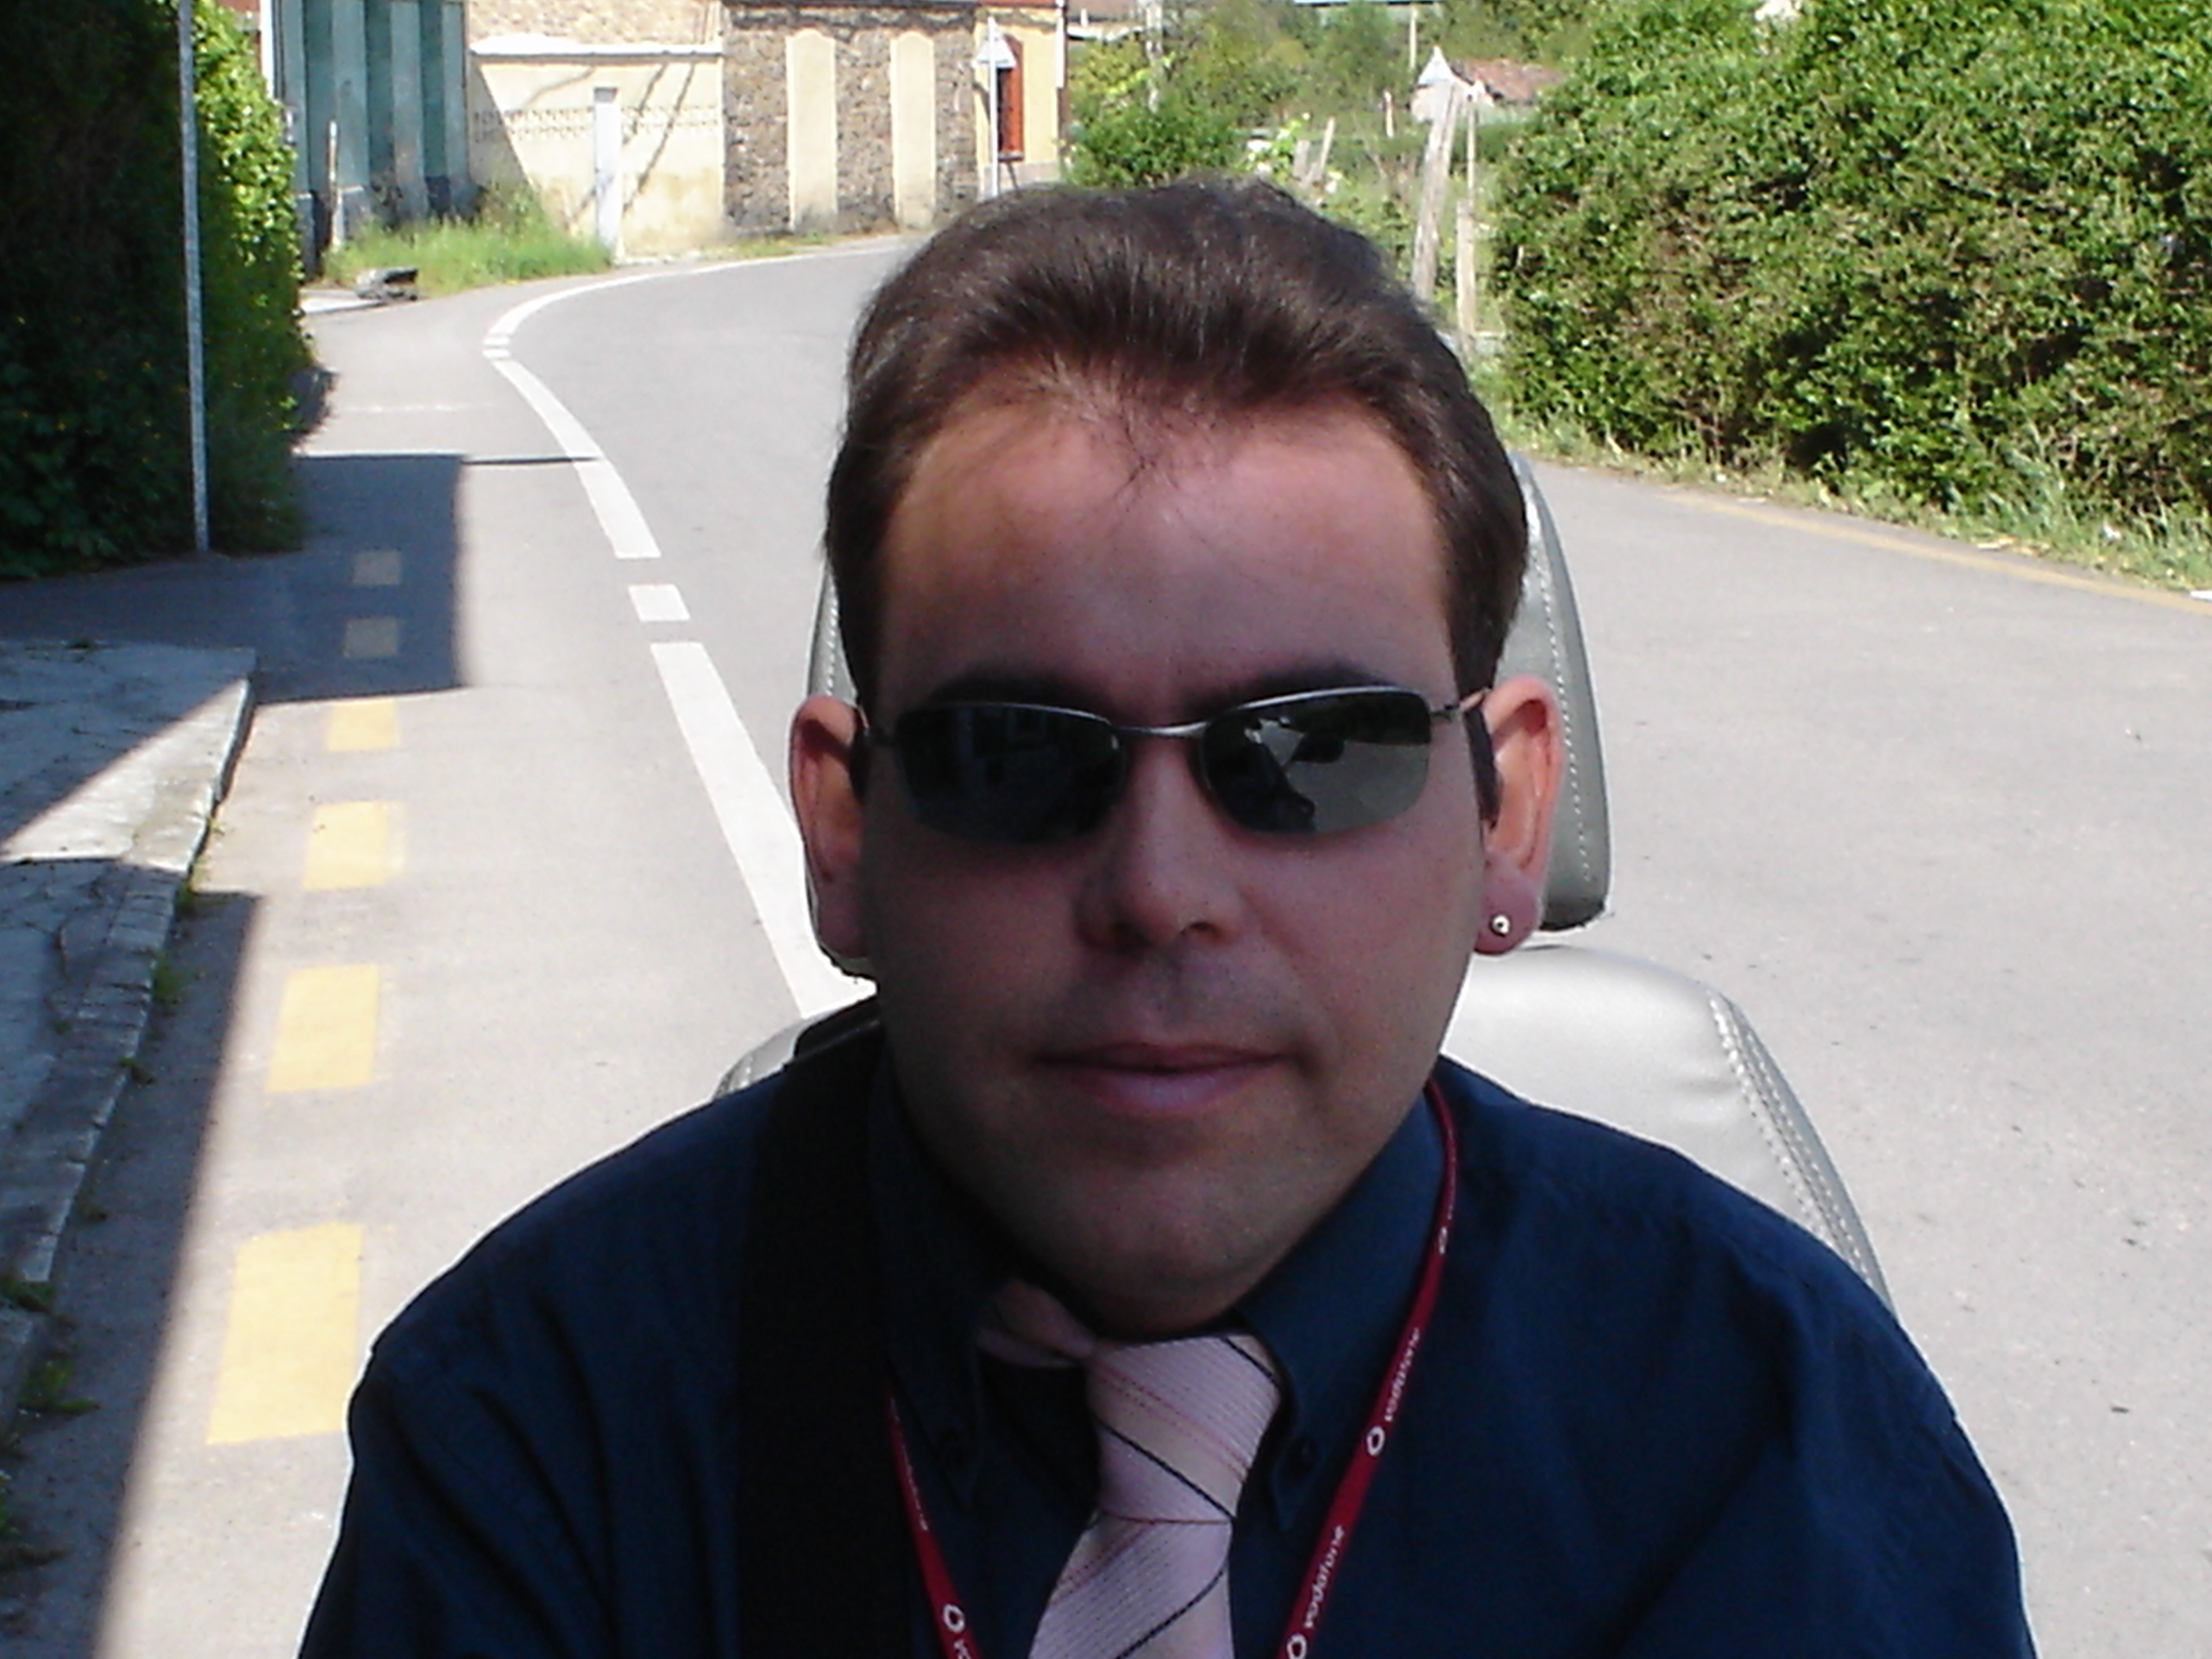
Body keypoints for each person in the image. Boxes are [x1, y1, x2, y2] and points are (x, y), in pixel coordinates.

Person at [300, 180, 2034, 1658]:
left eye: (1314, 753)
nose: (1159, 894)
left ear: (1505, 813)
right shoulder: (539, 1431)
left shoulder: (1779, 1434)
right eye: (1012, 758)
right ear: (843, 829)